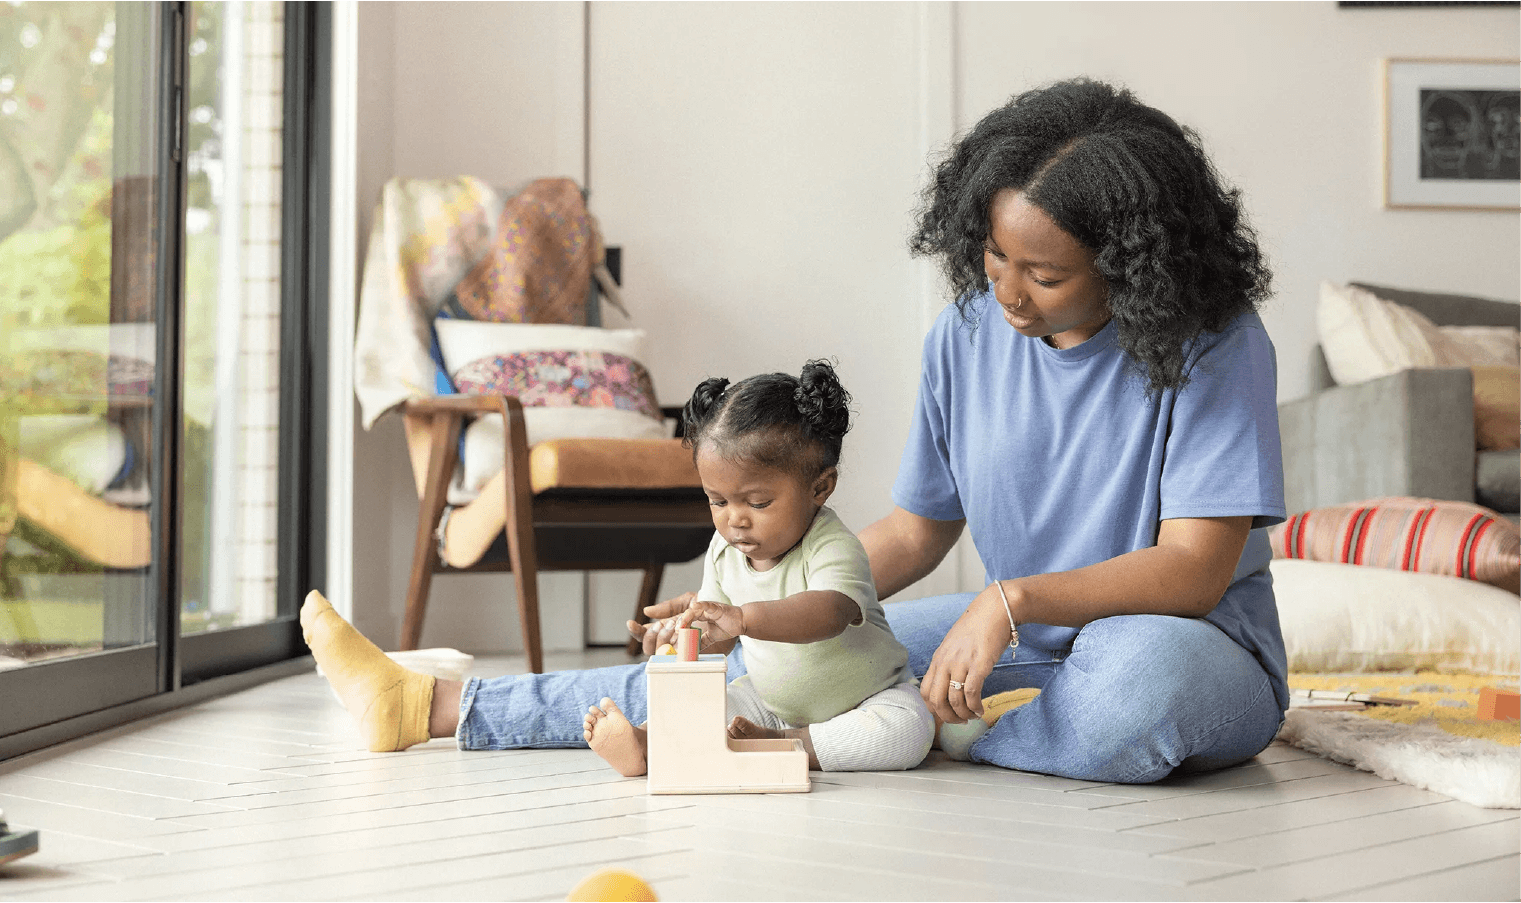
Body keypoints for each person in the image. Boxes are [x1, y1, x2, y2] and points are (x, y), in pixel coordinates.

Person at [303, 76, 1287, 784]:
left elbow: (1197, 567)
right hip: (1013, 635)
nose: (1008, 293)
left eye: (1046, 274)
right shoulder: (967, 335)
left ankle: (933, 737)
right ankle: (434, 707)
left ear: (1133, 263)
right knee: (777, 658)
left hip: (1186, 647)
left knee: (1135, 697)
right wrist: (769, 589)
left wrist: (1010, 602)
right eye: (993, 258)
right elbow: (916, 529)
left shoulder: (1215, 344)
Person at [578, 360, 933, 776]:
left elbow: (829, 613)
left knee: (909, 729)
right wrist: (683, 638)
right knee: (709, 699)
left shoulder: (832, 544)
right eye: (718, 501)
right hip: (769, 703)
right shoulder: (724, 551)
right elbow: (720, 638)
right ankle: (647, 744)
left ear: (820, 487)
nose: (735, 520)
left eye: (758, 503)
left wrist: (743, 618)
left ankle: (785, 746)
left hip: (867, 698)